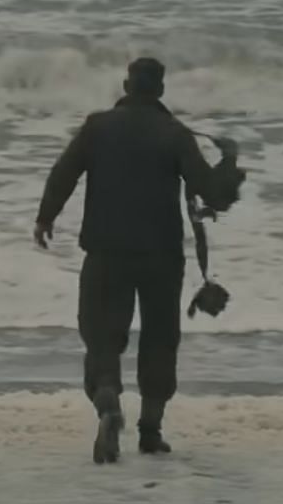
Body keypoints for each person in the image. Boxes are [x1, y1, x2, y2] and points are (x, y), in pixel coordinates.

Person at [34, 57, 243, 464]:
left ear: (127, 85)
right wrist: (230, 162)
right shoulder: (175, 134)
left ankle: (109, 399)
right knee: (160, 339)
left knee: (101, 333)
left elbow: (63, 173)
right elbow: (213, 195)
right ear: (160, 91)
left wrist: (45, 217)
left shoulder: (97, 127)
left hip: (106, 251)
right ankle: (150, 432)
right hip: (161, 257)